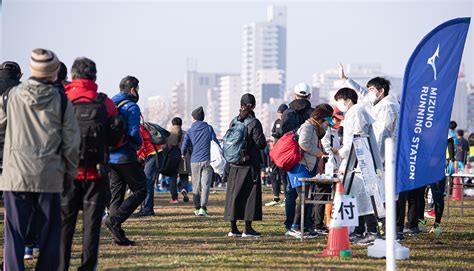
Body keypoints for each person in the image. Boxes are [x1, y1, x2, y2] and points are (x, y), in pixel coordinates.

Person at [0, 48, 80, 271]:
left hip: (15, 173)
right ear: (54, 72)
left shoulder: (11, 96)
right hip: (49, 173)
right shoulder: (62, 101)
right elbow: (72, 143)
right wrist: (70, 173)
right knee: (50, 232)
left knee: (14, 232)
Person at [60, 57, 118, 270]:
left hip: (67, 172)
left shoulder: (63, 98)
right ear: (94, 76)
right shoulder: (104, 102)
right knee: (91, 227)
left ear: (73, 76)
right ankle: (87, 267)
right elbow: (117, 138)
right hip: (96, 173)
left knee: (65, 226)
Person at [332, 87, 380, 245]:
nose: (339, 105)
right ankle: (359, 230)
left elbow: (357, 136)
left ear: (347, 100)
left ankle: (372, 231)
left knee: (364, 198)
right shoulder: (353, 113)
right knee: (356, 197)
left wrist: (341, 152)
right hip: (355, 160)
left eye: (339, 101)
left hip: (359, 161)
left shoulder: (356, 112)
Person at [103, 76, 147, 245]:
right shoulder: (132, 107)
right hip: (125, 156)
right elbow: (135, 133)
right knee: (141, 190)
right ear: (133, 90)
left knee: (117, 195)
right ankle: (114, 221)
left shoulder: (110, 104)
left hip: (110, 157)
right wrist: (139, 145)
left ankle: (117, 235)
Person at [287, 104, 334, 239]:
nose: (327, 124)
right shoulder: (308, 127)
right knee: (302, 197)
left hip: (307, 166)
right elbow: (304, 144)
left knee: (307, 197)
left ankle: (305, 227)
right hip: (299, 167)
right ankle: (295, 227)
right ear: (321, 118)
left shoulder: (315, 127)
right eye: (327, 120)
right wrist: (318, 153)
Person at [224, 93, 267, 237]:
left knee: (233, 195)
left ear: (240, 104)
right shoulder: (254, 123)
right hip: (249, 164)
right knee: (250, 196)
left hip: (234, 164)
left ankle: (233, 228)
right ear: (254, 106)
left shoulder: (234, 121)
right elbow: (260, 144)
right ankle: (247, 229)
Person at [338, 64, 400, 161]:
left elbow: (384, 133)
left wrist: (376, 160)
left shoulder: (387, 107)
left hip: (384, 157)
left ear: (381, 91)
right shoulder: (379, 103)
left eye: (371, 90)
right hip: (379, 153)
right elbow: (362, 93)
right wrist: (345, 79)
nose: (369, 93)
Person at [280, 83, 314, 235]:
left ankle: (290, 224)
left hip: (290, 156)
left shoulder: (287, 112)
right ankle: (305, 224)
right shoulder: (313, 113)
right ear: (309, 96)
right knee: (307, 192)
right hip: (308, 157)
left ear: (294, 95)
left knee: (290, 192)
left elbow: (282, 133)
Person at [181, 106, 218, 216]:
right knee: (206, 184)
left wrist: (183, 153)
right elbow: (214, 142)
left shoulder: (190, 130)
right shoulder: (209, 128)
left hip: (194, 161)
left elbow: (185, 144)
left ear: (194, 118)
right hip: (207, 160)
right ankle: (203, 208)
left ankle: (196, 208)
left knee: (195, 185)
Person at [136, 118, 164, 215]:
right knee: (145, 182)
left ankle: (148, 210)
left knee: (147, 183)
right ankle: (145, 208)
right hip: (153, 155)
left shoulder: (138, 128)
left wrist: (137, 156)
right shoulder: (140, 126)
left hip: (153, 155)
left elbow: (141, 145)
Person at [266, 104, 288, 206]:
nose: (280, 116)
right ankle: (276, 197)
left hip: (284, 152)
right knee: (273, 174)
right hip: (275, 151)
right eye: (279, 114)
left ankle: (287, 197)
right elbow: (273, 133)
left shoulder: (289, 122)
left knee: (284, 175)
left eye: (281, 114)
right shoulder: (277, 122)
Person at [167, 117, 190, 203]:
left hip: (172, 159)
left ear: (172, 124)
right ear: (181, 124)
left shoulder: (169, 135)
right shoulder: (186, 134)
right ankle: (184, 188)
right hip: (184, 158)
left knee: (172, 178)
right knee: (184, 176)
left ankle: (174, 198)